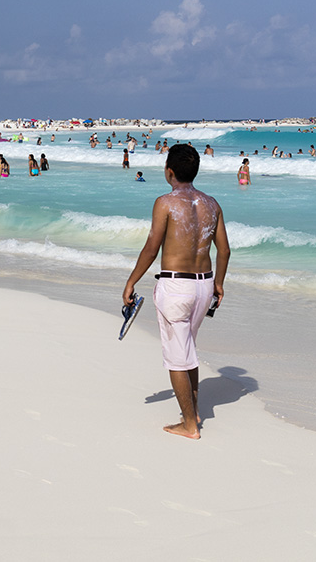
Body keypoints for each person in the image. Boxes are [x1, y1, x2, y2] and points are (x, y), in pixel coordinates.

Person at [121, 144, 230, 440]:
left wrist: (131, 282)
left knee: (176, 358)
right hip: (203, 284)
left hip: (176, 286)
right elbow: (224, 250)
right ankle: (192, 410)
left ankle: (189, 425)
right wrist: (219, 283)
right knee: (187, 349)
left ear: (169, 171)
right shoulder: (212, 203)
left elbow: (151, 247)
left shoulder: (165, 203)